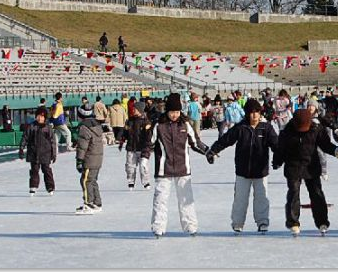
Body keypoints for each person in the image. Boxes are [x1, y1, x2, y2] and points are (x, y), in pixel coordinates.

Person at [206, 99, 278, 234]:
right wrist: (213, 150)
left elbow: (276, 145)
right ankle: (238, 223)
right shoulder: (241, 127)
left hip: (261, 170)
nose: (254, 115)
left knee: (262, 198)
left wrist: (280, 158)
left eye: (257, 112)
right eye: (251, 113)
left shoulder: (266, 128)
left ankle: (262, 221)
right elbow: (226, 140)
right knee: (240, 199)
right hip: (242, 170)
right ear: (246, 114)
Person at [273, 109, 338, 236]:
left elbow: (325, 145)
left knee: (317, 193)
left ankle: (322, 222)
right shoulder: (287, 132)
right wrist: (277, 161)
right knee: (293, 194)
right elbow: (281, 149)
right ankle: (293, 223)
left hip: (311, 165)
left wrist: (335, 151)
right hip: (293, 166)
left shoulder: (316, 129)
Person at [150, 93, 210, 238]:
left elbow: (195, 143)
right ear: (167, 111)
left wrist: (208, 151)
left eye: (177, 112)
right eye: (172, 112)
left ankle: (190, 226)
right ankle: (158, 227)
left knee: (186, 199)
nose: (175, 115)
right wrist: (144, 158)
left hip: (183, 168)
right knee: (160, 199)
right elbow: (148, 144)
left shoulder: (185, 125)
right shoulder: (159, 126)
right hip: (164, 169)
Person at [19, 107, 58, 196]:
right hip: (34, 153)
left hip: (45, 153)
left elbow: (53, 142)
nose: (40, 118)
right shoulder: (31, 126)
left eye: (42, 117)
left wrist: (54, 154)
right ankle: (33, 186)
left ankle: (50, 187)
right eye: (38, 116)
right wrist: (21, 149)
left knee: (47, 170)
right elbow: (25, 138)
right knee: (34, 170)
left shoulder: (48, 128)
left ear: (45, 118)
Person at [74, 103, 104, 215]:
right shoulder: (97, 125)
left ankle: (88, 203)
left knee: (86, 181)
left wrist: (79, 160)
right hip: (98, 158)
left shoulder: (84, 127)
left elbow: (83, 146)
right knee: (93, 181)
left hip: (89, 159)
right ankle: (97, 203)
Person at [119, 101, 153, 191]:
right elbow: (125, 133)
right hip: (131, 147)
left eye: (135, 109)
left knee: (143, 166)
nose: (133, 110)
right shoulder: (130, 121)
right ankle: (131, 182)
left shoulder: (146, 121)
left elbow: (150, 136)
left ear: (140, 110)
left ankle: (146, 182)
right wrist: (122, 140)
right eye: (133, 108)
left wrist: (148, 131)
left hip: (143, 148)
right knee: (130, 167)